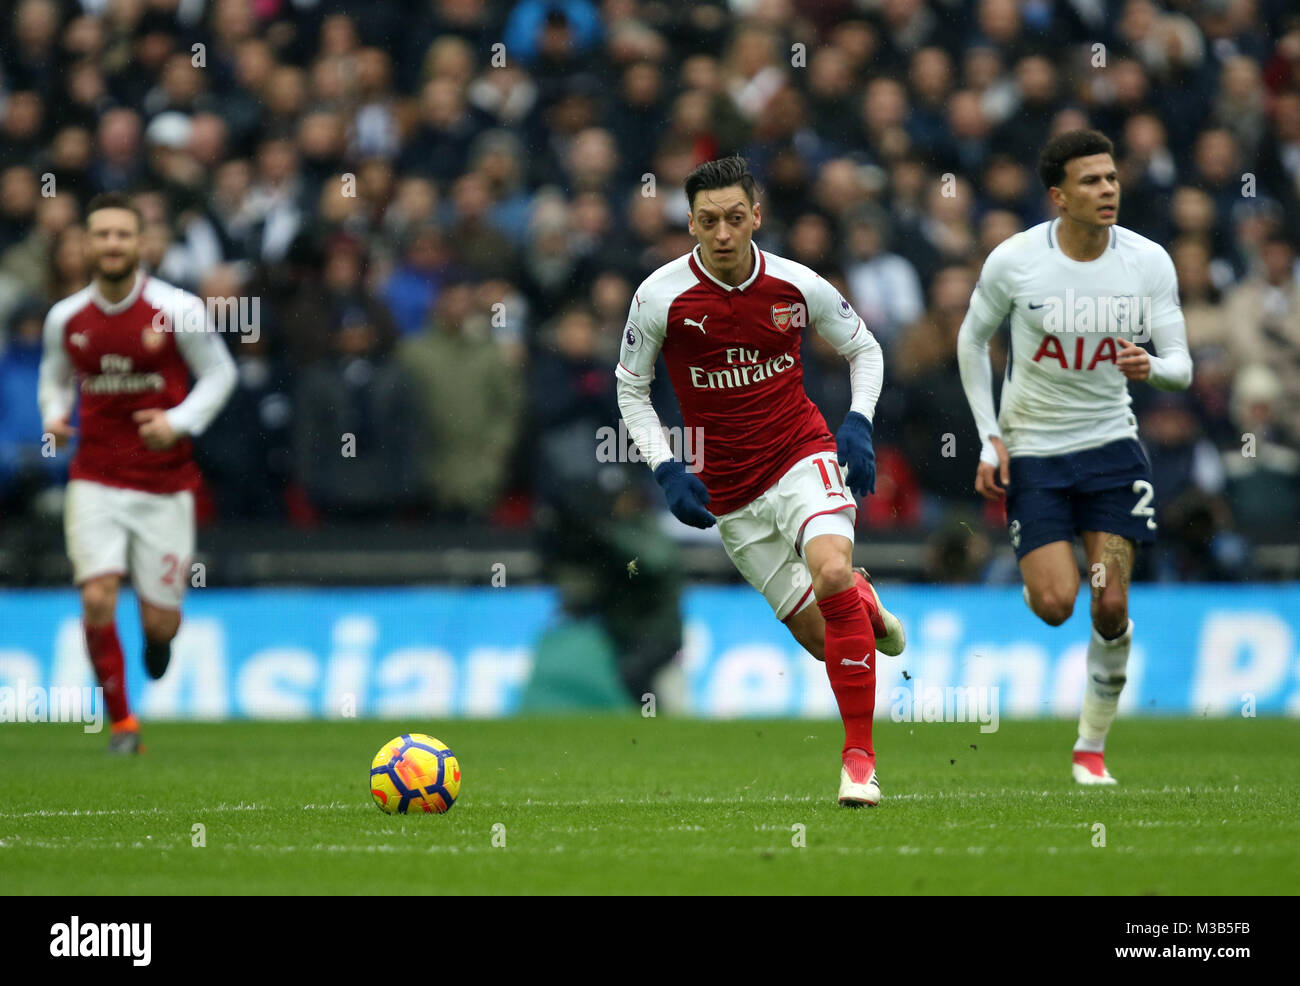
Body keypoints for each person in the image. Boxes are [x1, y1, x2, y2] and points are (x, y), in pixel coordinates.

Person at [615, 156, 905, 807]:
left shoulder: (797, 285)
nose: (723, 233)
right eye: (709, 220)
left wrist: (857, 422)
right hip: (732, 495)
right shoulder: (659, 296)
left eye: (735, 218)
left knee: (829, 569)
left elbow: (865, 348)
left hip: (802, 455)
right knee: (822, 637)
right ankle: (863, 602)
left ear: (757, 217)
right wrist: (666, 467)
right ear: (689, 222)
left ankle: (859, 761)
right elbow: (630, 388)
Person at [956, 130, 1193, 785]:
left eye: (1112, 177)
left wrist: (1154, 369)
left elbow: (1182, 365)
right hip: (1033, 449)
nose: (1108, 189)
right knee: (1057, 603)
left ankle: (1090, 748)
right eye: (1091, 181)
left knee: (1109, 604)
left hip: (1111, 448)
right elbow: (972, 342)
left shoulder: (1148, 262)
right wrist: (988, 436)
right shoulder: (1016, 261)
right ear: (1058, 196)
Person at [37, 192, 237, 754]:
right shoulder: (67, 318)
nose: (112, 244)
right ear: (86, 243)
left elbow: (219, 376)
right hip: (95, 477)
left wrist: (177, 422)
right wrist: (52, 414)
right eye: (101, 235)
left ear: (140, 242)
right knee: (97, 596)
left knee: (159, 626)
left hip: (164, 484)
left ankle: (157, 644)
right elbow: (54, 377)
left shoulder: (176, 310)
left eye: (122, 235)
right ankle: (123, 725)